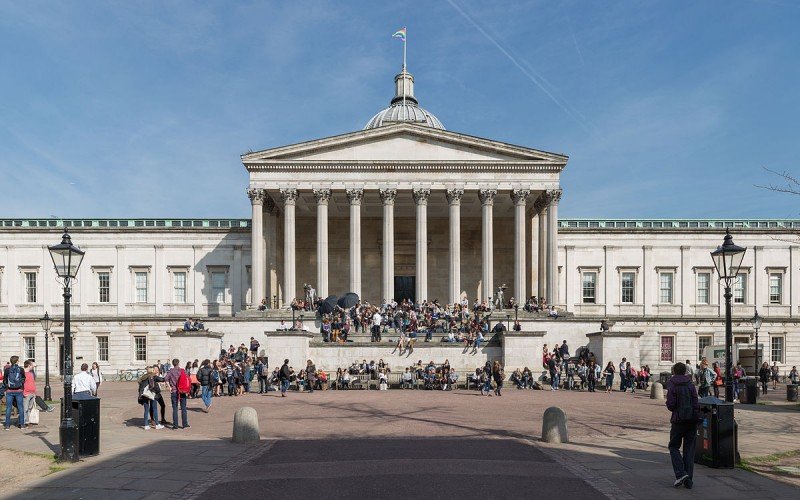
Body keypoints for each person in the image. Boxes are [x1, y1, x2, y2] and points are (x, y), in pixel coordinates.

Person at [665, 362, 700, 489]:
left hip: (678, 420)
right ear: (685, 371)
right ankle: (688, 480)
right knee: (689, 450)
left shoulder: (672, 384)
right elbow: (696, 401)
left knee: (673, 446)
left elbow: (671, 405)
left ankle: (681, 473)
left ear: (674, 371)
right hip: (691, 420)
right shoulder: (690, 384)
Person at [165, 359, 189, 430]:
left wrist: (169, 387)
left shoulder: (171, 371)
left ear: (173, 364)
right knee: (183, 408)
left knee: (175, 408)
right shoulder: (182, 370)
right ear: (178, 363)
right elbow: (187, 379)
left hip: (174, 391)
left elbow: (165, 379)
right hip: (182, 391)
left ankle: (175, 426)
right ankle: (185, 424)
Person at [22, 360, 37, 426]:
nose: (32, 366)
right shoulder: (23, 374)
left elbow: (33, 383)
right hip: (26, 394)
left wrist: (34, 393)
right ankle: (24, 422)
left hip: (32, 393)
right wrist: (24, 392)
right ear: (29, 365)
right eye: (31, 365)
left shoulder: (31, 374)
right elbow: (22, 384)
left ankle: (27, 421)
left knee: (29, 408)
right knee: (25, 408)